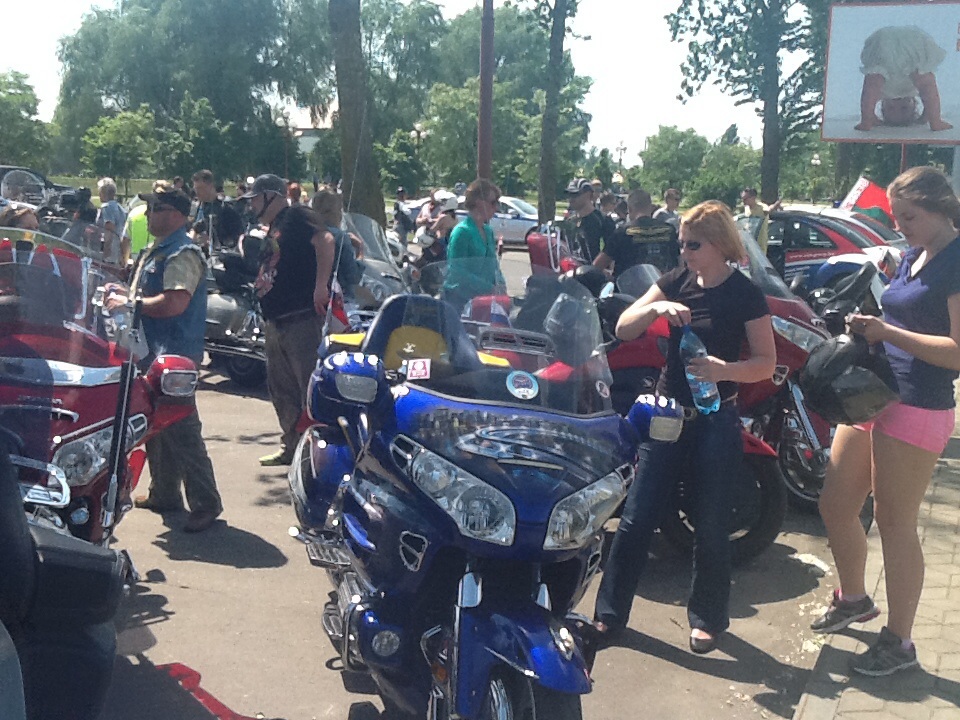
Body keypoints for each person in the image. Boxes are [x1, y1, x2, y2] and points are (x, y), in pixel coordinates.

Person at [593, 200, 775, 654]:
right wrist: (657, 308)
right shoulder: (675, 281)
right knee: (637, 518)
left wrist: (723, 370)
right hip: (668, 414)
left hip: (717, 416)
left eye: (693, 245)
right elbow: (624, 327)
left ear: (720, 245)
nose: (684, 252)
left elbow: (765, 365)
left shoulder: (745, 294)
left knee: (711, 522)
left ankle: (708, 619)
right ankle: (609, 616)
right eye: (682, 244)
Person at [813, 166, 960, 676]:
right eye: (896, 216)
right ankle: (854, 598)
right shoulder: (914, 254)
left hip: (919, 404)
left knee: (894, 523)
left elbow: (957, 352)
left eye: (909, 216)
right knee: (835, 503)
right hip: (872, 393)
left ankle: (900, 643)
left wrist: (888, 333)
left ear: (940, 209)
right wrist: (866, 324)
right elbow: (899, 314)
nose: (900, 226)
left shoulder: (956, 261)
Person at [106, 186, 223, 533]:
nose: (148, 214)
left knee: (183, 428)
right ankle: (165, 493)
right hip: (152, 352)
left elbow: (175, 303)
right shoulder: (158, 249)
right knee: (155, 425)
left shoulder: (182, 253)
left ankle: (206, 502)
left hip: (175, 356)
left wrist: (131, 305)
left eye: (155, 208)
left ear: (175, 214)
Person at [245, 174, 335, 467]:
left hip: (301, 318)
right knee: (281, 390)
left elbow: (325, 240)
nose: (252, 205)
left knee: (308, 388)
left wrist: (321, 285)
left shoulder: (297, 215)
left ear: (271, 196)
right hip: (276, 320)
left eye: (255, 198)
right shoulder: (275, 226)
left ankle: (317, 453)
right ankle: (291, 447)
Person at [855, 26, 952, 132]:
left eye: (891, 108)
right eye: (904, 108)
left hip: (883, 47)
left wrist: (868, 118)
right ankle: (936, 121)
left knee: (873, 82)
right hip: (914, 46)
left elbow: (868, 95)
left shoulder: (882, 91)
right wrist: (928, 115)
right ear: (915, 103)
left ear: (882, 105)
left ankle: (866, 122)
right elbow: (929, 96)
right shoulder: (912, 90)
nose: (897, 104)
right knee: (924, 82)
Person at [442, 179, 506, 311]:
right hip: (460, 300)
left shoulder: (488, 231)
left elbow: (493, 264)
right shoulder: (462, 231)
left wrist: (501, 284)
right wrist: (488, 288)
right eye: (493, 202)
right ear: (479, 202)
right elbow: (457, 271)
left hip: (484, 300)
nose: (496, 208)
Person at [593, 188, 680, 277]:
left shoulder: (622, 232)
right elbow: (679, 263)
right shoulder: (669, 230)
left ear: (629, 209)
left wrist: (607, 275)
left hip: (628, 285)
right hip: (663, 284)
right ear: (651, 207)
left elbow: (597, 265)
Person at [309, 187, 363, 302]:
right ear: (335, 212)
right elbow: (353, 277)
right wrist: (360, 250)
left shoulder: (307, 232)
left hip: (309, 297)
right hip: (337, 300)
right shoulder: (340, 237)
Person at [191, 169, 243, 252]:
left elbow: (236, 237)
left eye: (200, 189)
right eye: (195, 189)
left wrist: (213, 240)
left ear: (210, 186)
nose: (197, 193)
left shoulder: (226, 209)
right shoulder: (198, 207)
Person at [566, 177, 612, 263]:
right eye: (569, 195)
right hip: (572, 269)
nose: (571, 199)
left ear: (588, 194)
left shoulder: (603, 220)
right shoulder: (569, 221)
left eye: (575, 194)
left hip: (595, 270)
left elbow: (611, 251)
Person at [96, 177, 127, 267]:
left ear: (102, 193)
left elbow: (109, 229)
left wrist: (106, 251)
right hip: (119, 251)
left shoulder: (107, 207)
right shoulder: (120, 208)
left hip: (111, 252)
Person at [738, 187, 781, 253]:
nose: (743, 201)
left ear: (753, 198)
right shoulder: (746, 208)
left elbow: (768, 210)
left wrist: (776, 204)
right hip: (749, 244)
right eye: (742, 199)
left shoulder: (761, 207)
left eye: (745, 199)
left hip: (759, 245)